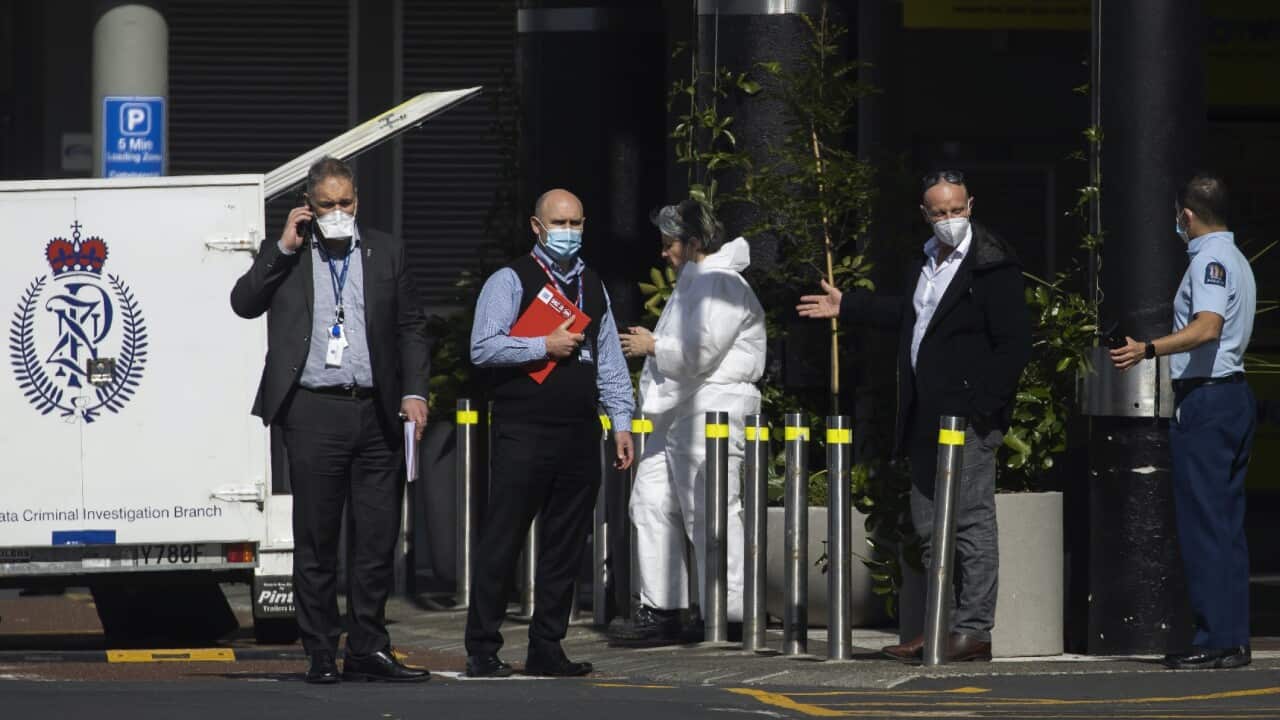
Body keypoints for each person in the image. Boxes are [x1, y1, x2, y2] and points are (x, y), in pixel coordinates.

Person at [797, 169, 1031, 663]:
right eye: (939, 212)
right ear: (925, 214)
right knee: (929, 528)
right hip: (925, 417)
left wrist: (982, 408)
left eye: (957, 209)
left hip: (966, 421)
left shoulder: (991, 266)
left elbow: (1014, 345)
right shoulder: (926, 262)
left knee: (970, 525)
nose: (950, 219)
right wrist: (850, 306)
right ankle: (938, 627)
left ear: (971, 205)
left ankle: (974, 631)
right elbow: (912, 315)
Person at [230, 156, 431, 684]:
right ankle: (320, 649)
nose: (338, 212)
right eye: (327, 205)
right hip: (313, 410)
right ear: (308, 207)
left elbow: (411, 325)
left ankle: (368, 646)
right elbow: (244, 302)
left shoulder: (386, 250)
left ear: (357, 201)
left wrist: (414, 391)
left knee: (376, 538)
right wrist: (283, 247)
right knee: (317, 539)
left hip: (376, 409)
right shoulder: (291, 255)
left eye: (346, 203)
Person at [464, 188, 635, 678]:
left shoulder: (592, 283)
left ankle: (547, 645)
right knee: (504, 538)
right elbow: (483, 348)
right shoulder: (510, 280)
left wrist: (621, 421)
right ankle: (482, 646)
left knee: (564, 543)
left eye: (576, 223)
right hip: (525, 428)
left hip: (579, 429)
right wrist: (543, 343)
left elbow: (609, 360)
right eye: (559, 223)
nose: (569, 232)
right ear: (537, 227)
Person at [1110, 174, 1256, 670]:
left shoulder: (1210, 262)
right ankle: (1232, 638)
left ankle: (1216, 639)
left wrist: (1148, 348)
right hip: (1231, 399)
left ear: (1186, 216)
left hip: (1209, 402)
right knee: (1226, 528)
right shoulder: (1236, 258)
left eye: (1177, 217)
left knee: (1204, 526)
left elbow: (1206, 328)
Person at [609, 200, 767, 646]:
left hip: (711, 409)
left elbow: (701, 352)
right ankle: (663, 607)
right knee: (650, 502)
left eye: (669, 244)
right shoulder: (696, 282)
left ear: (694, 243)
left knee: (709, 511)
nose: (664, 253)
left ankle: (729, 610)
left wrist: (652, 344)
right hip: (678, 411)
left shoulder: (722, 284)